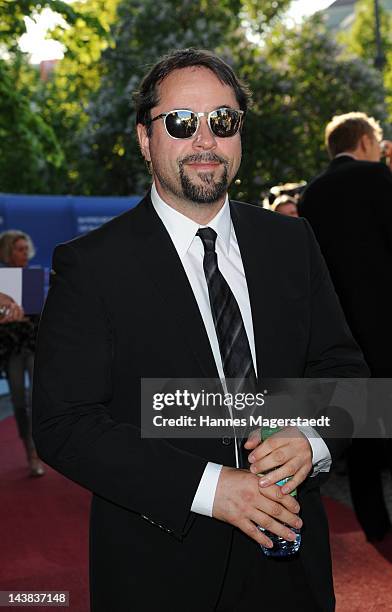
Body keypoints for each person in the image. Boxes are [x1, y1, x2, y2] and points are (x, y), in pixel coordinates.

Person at [33, 50, 367, 612]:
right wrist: (213, 488)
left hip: (293, 564)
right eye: (182, 122)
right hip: (163, 568)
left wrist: (310, 438)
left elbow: (347, 376)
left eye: (224, 120)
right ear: (145, 138)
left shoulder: (292, 243)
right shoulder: (93, 265)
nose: (205, 139)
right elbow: (64, 424)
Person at [299, 112, 392, 542]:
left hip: (344, 335)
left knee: (367, 439)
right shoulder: (378, 178)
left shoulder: (312, 195)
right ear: (366, 142)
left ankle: (376, 527)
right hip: (387, 324)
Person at [0, 230, 44, 477]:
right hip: (11, 351)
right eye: (18, 249)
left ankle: (38, 451)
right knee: (19, 401)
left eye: (25, 248)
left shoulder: (34, 277)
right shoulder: (1, 280)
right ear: (8, 252)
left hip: (34, 347)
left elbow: (37, 318)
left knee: (37, 398)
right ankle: (29, 451)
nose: (24, 253)